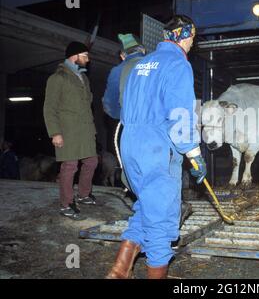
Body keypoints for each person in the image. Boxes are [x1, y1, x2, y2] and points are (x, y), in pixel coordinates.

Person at [106, 15, 206, 279]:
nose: (191, 44)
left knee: (147, 206)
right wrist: (194, 154)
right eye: (192, 39)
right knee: (162, 217)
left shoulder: (141, 64)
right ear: (185, 36)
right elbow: (180, 114)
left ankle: (119, 271)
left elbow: (121, 107)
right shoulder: (177, 64)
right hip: (156, 147)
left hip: (130, 143)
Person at [43, 41, 99, 221]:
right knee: (70, 166)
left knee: (92, 161)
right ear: (74, 56)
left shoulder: (83, 77)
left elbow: (87, 103)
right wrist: (55, 133)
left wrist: (92, 129)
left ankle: (83, 194)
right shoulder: (57, 78)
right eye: (85, 56)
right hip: (67, 130)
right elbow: (49, 108)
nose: (88, 60)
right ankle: (66, 204)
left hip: (85, 130)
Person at [102, 33, 146, 119]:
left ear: (122, 56)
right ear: (143, 50)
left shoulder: (118, 71)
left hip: (132, 125)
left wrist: (123, 116)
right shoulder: (157, 65)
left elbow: (110, 104)